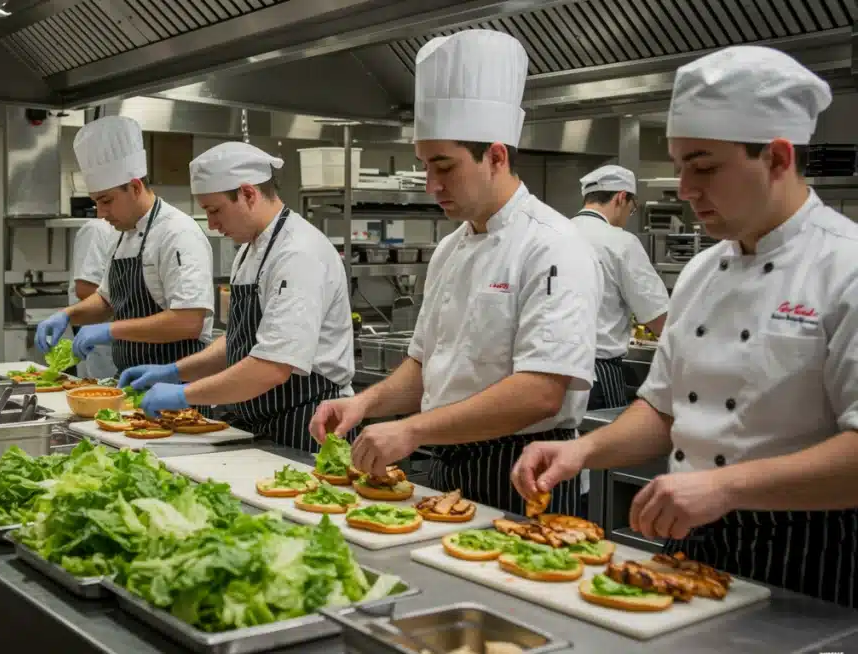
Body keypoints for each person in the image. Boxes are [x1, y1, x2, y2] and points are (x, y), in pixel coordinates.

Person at [512, 46, 858, 608]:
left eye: (704, 166)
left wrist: (723, 486)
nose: (685, 188)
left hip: (809, 555)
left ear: (776, 156)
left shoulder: (846, 266)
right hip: (691, 543)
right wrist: (582, 451)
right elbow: (662, 410)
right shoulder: (703, 269)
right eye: (679, 168)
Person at [308, 30, 600, 517]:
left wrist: (413, 429)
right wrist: (366, 403)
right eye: (425, 166)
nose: (431, 184)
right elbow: (424, 366)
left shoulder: (554, 244)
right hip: (449, 470)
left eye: (444, 166)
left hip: (524, 473)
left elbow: (540, 393)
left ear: (496, 156)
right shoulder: (450, 248)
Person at [119, 142, 355, 451]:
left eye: (215, 211)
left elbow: (271, 367)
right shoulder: (249, 250)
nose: (213, 225)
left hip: (307, 426)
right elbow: (240, 341)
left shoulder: (298, 253)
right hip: (258, 420)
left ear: (248, 194)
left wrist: (183, 394)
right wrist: (175, 371)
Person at [34, 116, 214, 371]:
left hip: (175, 387)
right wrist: (68, 315)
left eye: (106, 201)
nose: (100, 212)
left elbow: (188, 321)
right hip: (130, 382)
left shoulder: (177, 233)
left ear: (135, 187)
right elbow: (106, 300)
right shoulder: (123, 233)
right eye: (96, 202)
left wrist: (110, 330)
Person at [571, 165, 669, 409]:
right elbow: (659, 319)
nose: (628, 217)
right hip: (597, 377)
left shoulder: (554, 232)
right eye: (632, 209)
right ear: (621, 197)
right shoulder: (621, 242)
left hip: (550, 371)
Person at [68, 217, 118, 379]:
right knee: (99, 393)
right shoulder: (97, 230)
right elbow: (85, 289)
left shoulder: (132, 233)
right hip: (101, 341)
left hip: (121, 336)